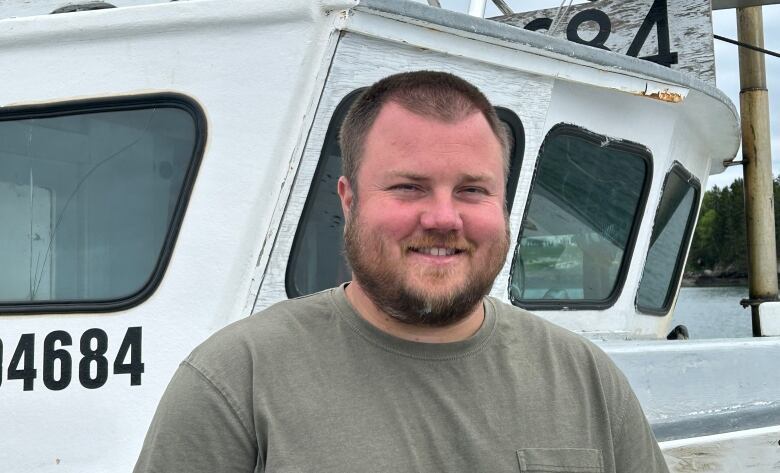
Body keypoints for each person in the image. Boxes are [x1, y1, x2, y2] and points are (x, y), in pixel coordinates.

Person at [134, 71, 669, 472]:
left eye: (472, 190)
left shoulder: (589, 380)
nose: (442, 217)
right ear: (349, 201)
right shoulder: (234, 380)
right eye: (408, 187)